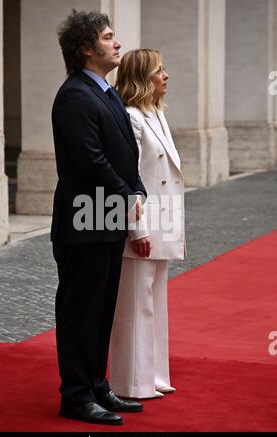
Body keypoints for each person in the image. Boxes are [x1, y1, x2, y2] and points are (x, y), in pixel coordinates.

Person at [51, 11, 148, 425]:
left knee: (103, 307)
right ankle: (75, 395)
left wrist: (137, 188)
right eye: (109, 38)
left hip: (106, 215)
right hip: (83, 219)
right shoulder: (75, 95)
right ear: (88, 49)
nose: (118, 43)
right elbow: (90, 159)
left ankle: (96, 385)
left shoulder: (106, 92)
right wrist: (127, 194)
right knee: (80, 310)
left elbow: (124, 149)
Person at [109, 49, 186, 399]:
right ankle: (132, 382)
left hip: (165, 220)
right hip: (142, 222)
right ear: (142, 78)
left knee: (156, 299)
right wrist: (136, 229)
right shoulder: (131, 117)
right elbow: (128, 176)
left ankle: (154, 374)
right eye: (159, 71)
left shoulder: (154, 112)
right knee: (136, 302)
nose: (165, 75)